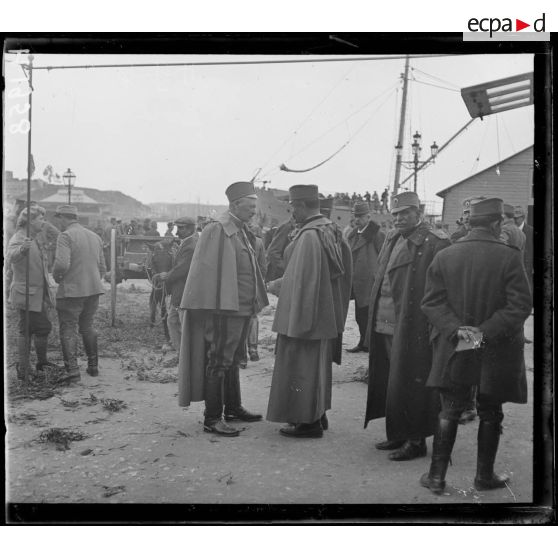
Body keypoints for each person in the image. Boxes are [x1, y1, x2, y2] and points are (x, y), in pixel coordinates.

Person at [420, 197, 532, 494]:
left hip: (457, 344)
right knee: (491, 410)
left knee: (450, 409)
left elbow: (431, 303)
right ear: (497, 223)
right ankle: (484, 477)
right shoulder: (509, 256)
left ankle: (436, 477)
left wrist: (459, 331)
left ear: (469, 223)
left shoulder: (446, 255)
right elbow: (520, 305)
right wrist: (483, 332)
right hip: (496, 348)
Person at [177, 181, 268, 437]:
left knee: (232, 360)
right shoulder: (217, 230)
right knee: (218, 361)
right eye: (250, 207)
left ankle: (233, 408)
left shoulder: (240, 230)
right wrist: (217, 308)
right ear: (235, 205)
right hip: (224, 311)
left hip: (241, 310)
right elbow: (205, 274)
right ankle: (212, 418)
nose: (253, 212)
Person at [365, 191, 450, 460]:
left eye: (405, 213)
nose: (400, 218)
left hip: (413, 326)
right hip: (386, 320)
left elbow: (444, 290)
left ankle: (416, 440)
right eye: (396, 214)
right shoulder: (393, 238)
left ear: (419, 212)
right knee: (393, 380)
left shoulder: (435, 243)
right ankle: (399, 433)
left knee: (412, 382)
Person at [266, 184, 352, 438]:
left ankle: (308, 423)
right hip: (324, 313)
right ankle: (317, 414)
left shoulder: (309, 236)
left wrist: (297, 321)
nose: (292, 212)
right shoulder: (331, 229)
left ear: (302, 205)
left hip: (305, 316)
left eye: (293, 207)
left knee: (301, 367)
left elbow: (301, 281)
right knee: (317, 367)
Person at [53, 205, 106, 382]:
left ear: (62, 217)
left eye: (58, 219)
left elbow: (61, 264)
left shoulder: (66, 235)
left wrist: (57, 277)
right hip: (93, 289)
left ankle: (73, 371)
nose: (57, 222)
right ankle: (93, 367)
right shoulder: (95, 236)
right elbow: (103, 268)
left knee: (68, 329)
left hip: (72, 291)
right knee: (87, 327)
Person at [7, 205, 56, 380]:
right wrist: (22, 249)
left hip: (35, 293)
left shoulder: (33, 237)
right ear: (30, 220)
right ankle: (25, 368)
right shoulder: (20, 238)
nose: (43, 221)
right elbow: (10, 256)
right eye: (40, 218)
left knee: (32, 328)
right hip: (26, 294)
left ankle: (37, 364)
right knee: (32, 328)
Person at [345, 201, 385, 352]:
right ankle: (363, 342)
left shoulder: (377, 235)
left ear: (368, 217)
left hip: (370, 283)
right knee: (360, 316)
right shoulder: (353, 234)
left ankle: (370, 345)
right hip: (357, 282)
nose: (357, 219)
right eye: (355, 216)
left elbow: (383, 257)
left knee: (370, 316)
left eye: (360, 217)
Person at [161, 216, 198, 353]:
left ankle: (184, 355)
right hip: (181, 292)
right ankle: (182, 353)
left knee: (179, 323)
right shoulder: (188, 242)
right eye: (177, 228)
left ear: (190, 228)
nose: (177, 232)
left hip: (184, 292)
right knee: (173, 321)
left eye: (180, 228)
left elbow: (181, 269)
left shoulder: (190, 245)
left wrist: (166, 276)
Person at [147, 235, 175, 342]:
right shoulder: (153, 258)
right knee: (158, 297)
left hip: (169, 277)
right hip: (158, 279)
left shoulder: (171, 254)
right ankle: (153, 318)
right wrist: (158, 276)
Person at [265, 217, 295, 282]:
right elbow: (273, 252)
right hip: (276, 275)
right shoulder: (288, 227)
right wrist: (286, 269)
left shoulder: (296, 228)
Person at [513, 206, 533, 288]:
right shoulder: (511, 230)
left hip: (526, 267)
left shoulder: (531, 231)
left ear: (523, 218)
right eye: (513, 218)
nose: (514, 220)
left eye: (517, 218)